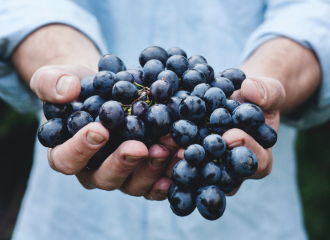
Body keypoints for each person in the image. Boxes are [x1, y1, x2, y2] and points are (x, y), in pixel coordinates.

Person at [1, 0, 330, 239]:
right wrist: (62, 61)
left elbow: (313, 12)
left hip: (253, 224)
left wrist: (270, 79)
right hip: (73, 223)